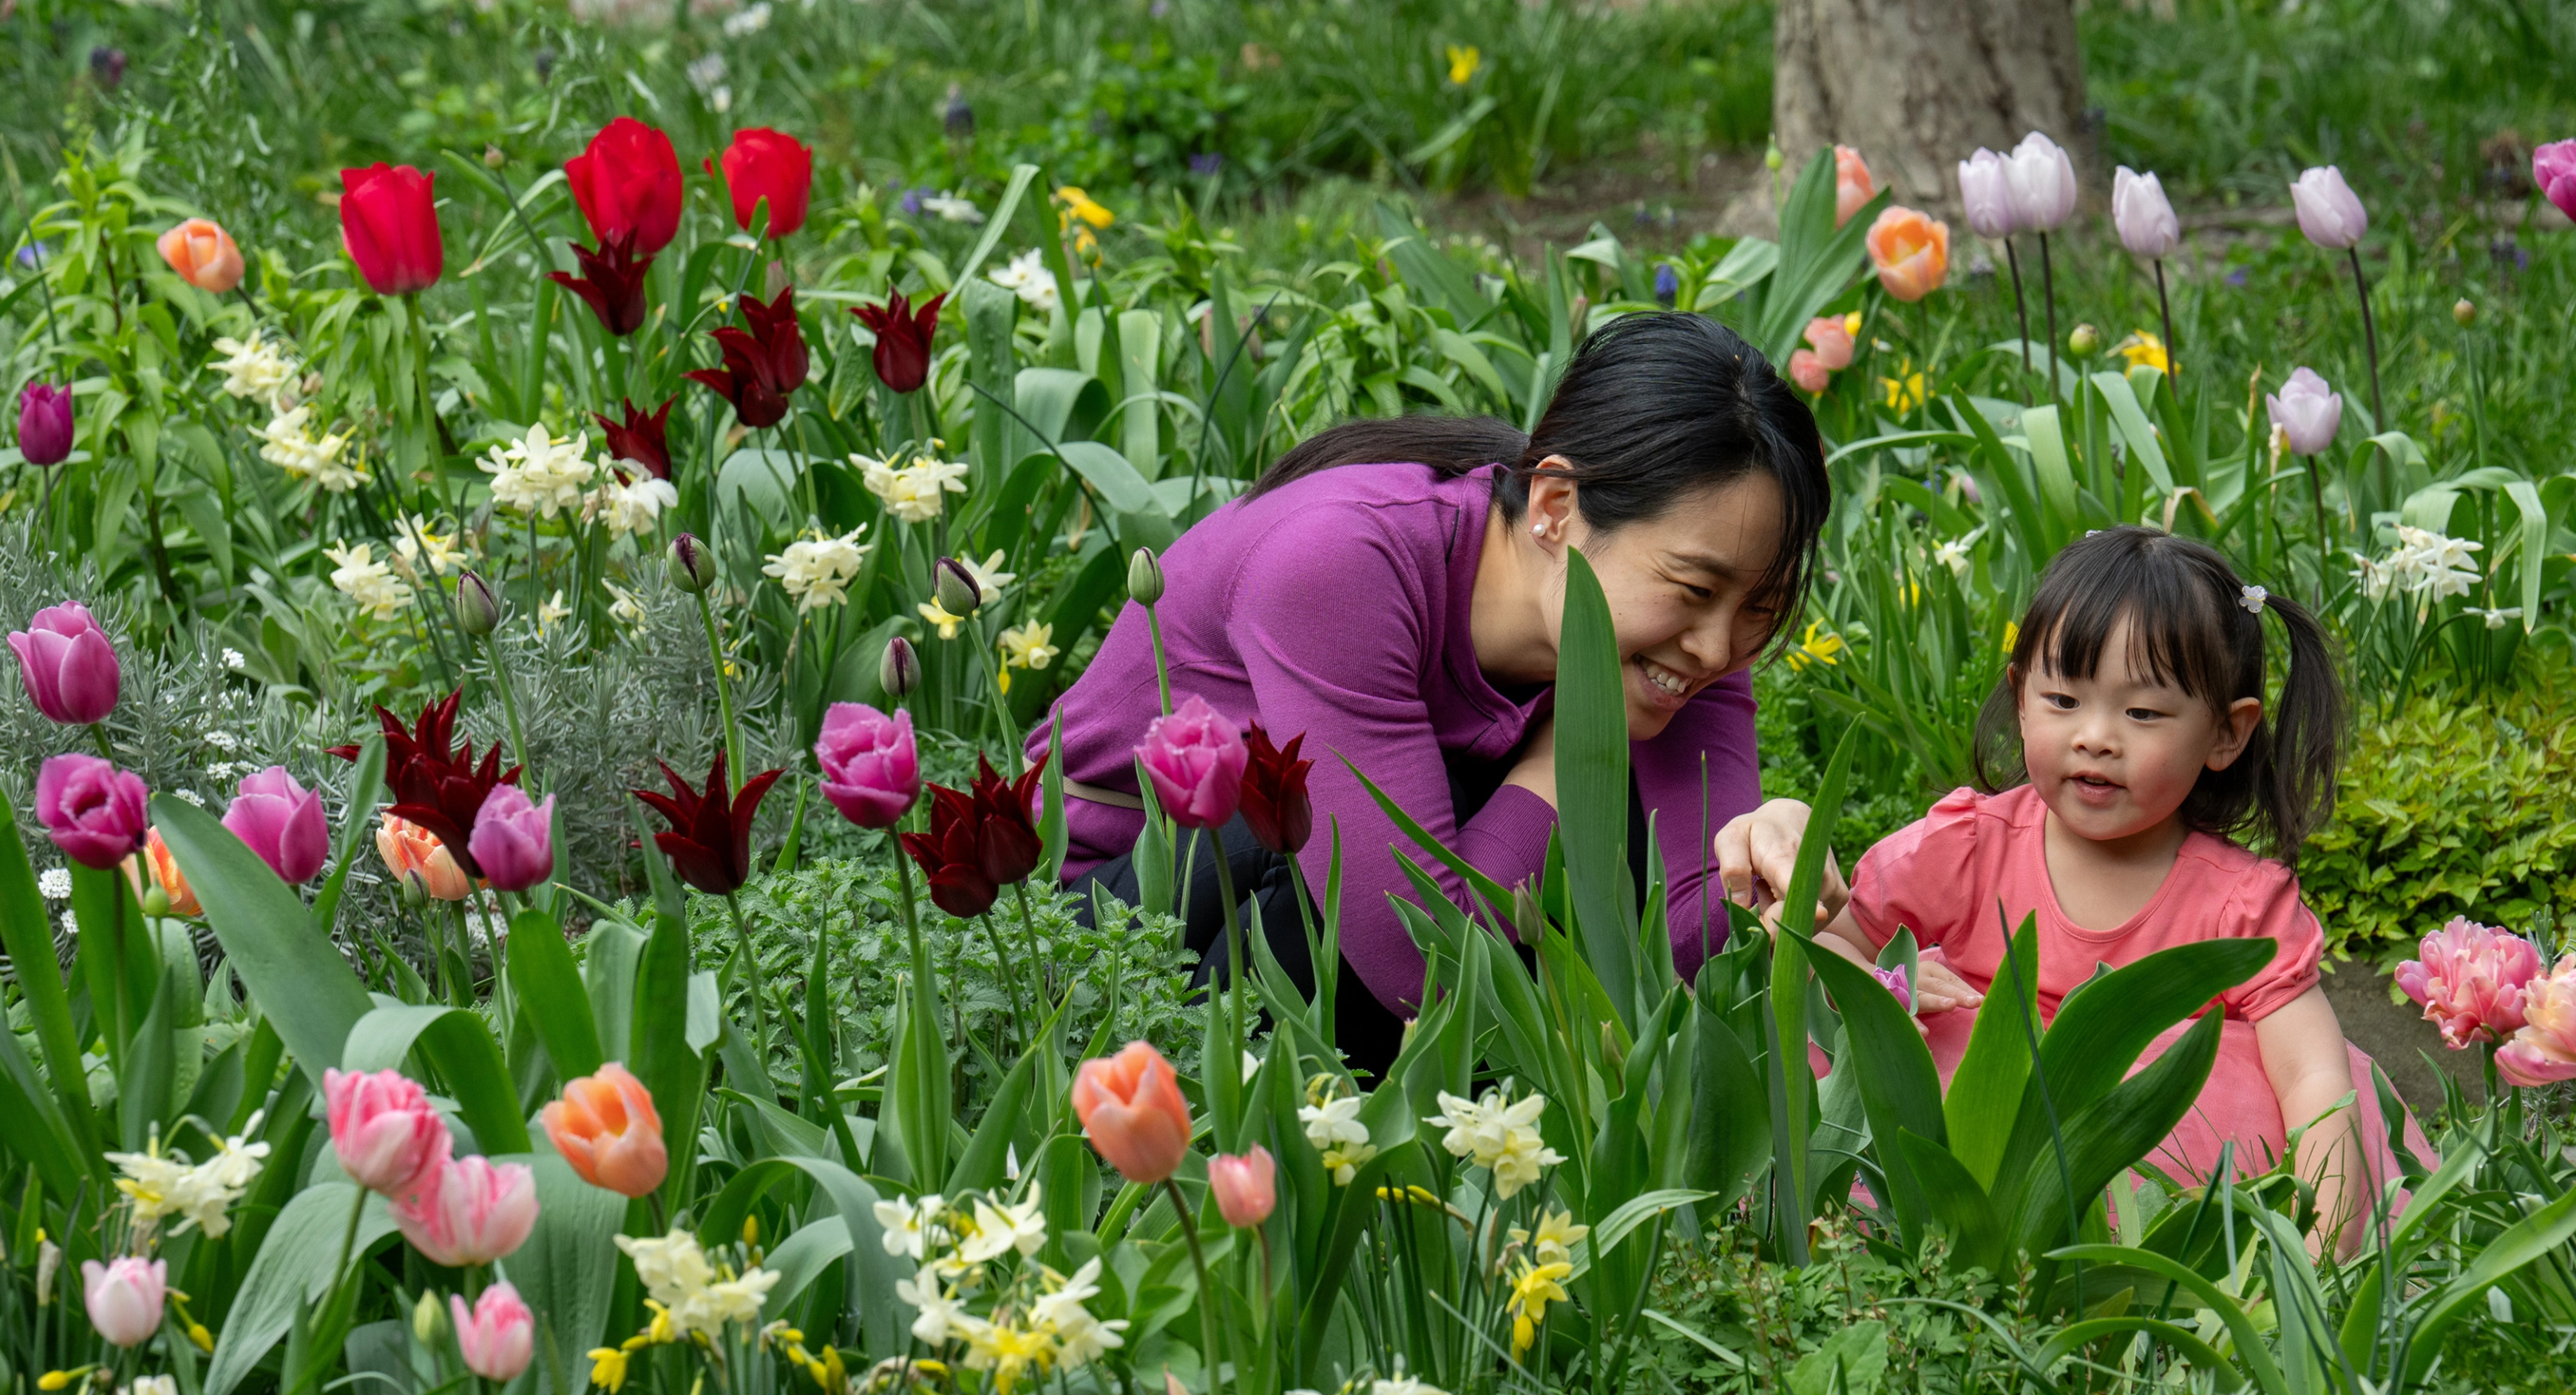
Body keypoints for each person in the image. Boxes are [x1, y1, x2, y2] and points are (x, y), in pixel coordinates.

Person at [1033, 312, 1844, 1072]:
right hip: (1109, 925)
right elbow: (1422, 968)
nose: (1717, 649)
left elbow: (1674, 942)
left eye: (1759, 611)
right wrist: (1571, 750)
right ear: (1557, 508)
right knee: (1330, 822)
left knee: (1599, 818)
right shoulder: (1344, 564)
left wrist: (1771, 862)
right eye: (1695, 589)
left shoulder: (1679, 633)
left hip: (1373, 921)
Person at [1813, 526, 2419, 1252]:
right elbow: (1827, 951)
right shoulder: (1964, 851)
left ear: (2227, 734)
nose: (2096, 736)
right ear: (2022, 698)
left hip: (2163, 1171)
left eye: (2142, 713)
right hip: (1964, 1148)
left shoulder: (2240, 908)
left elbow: (2317, 1079)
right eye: (2064, 699)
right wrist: (1886, 983)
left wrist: (2321, 1258)